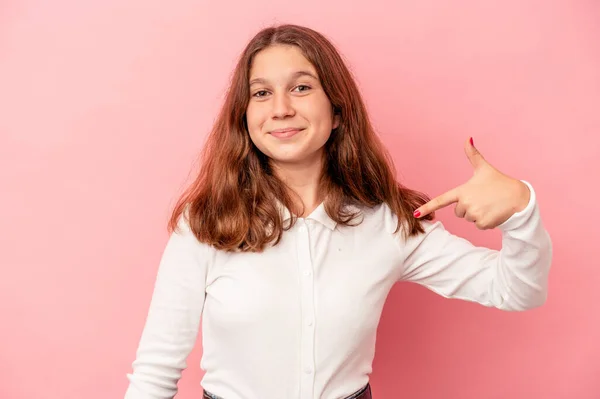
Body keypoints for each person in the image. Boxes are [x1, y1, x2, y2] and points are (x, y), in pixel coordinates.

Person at [123, 24, 552, 399]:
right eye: (261, 93)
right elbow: (156, 373)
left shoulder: (388, 223)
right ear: (246, 116)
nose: (281, 108)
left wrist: (521, 210)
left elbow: (517, 290)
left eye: (302, 87)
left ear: (338, 112)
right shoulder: (204, 225)